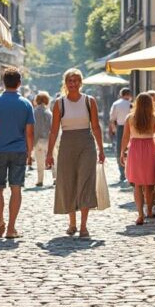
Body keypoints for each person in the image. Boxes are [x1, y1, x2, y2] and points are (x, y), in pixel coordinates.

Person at [46, 69, 105, 238]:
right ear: (65, 83)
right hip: (67, 144)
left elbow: (95, 127)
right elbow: (53, 131)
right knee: (68, 182)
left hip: (86, 143)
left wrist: (101, 149)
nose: (73, 84)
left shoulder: (89, 101)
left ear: (81, 83)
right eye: (70, 81)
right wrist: (49, 153)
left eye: (76, 81)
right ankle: (72, 223)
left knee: (86, 182)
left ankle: (84, 226)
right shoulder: (59, 103)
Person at [0, 68, 34, 239]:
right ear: (19, 83)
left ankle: (0, 221)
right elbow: (29, 132)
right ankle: (11, 228)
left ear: (3, 83)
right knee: (16, 188)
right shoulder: (26, 104)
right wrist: (30, 152)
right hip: (19, 150)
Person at [120, 92, 155, 225]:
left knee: (137, 185)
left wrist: (122, 152)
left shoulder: (130, 118)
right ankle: (149, 211)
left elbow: (125, 137)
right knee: (150, 184)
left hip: (134, 149)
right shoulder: (154, 118)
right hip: (149, 149)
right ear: (151, 104)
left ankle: (140, 214)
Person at [107, 87, 133, 182]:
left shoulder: (116, 104)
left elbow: (112, 118)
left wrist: (113, 129)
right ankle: (130, 172)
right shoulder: (131, 105)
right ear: (129, 95)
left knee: (120, 150)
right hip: (131, 128)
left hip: (120, 128)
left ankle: (122, 173)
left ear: (121, 94)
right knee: (130, 149)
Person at [32, 92, 53, 187]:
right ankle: (55, 178)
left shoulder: (34, 112)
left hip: (37, 140)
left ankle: (40, 180)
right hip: (48, 140)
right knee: (53, 158)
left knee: (39, 161)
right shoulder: (49, 113)